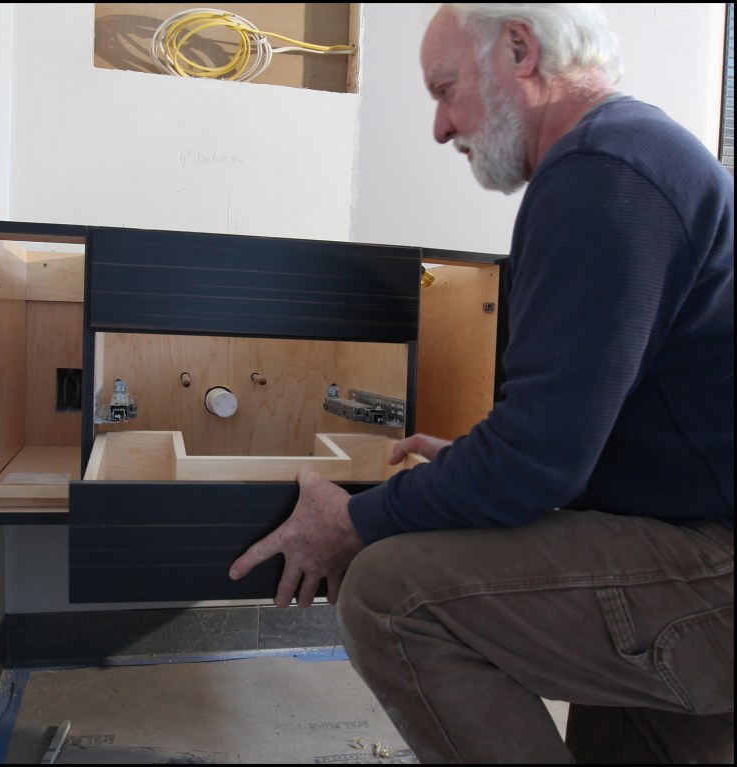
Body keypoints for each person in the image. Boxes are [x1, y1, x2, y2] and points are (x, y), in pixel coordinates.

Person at [229, 3, 734, 763]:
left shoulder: (603, 176)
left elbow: (537, 461)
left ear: (521, 50)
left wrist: (353, 521)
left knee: (390, 595)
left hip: (715, 569)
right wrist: (476, 459)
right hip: (697, 536)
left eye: (444, 87)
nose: (440, 127)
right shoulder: (630, 155)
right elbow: (583, 425)